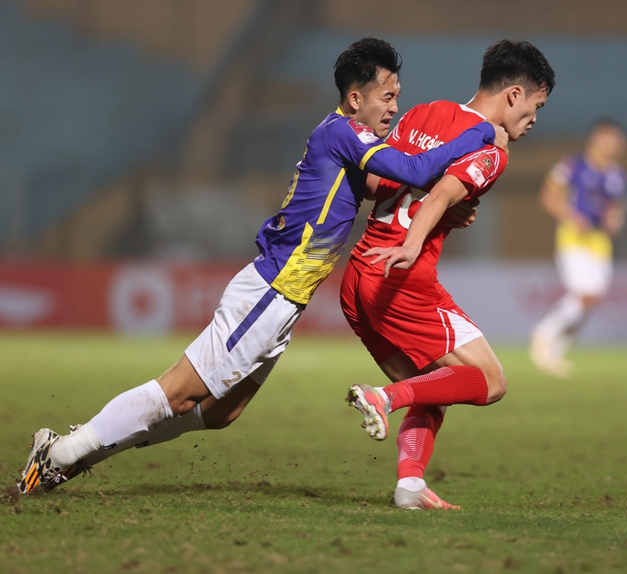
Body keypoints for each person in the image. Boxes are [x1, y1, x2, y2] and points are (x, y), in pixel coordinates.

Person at [17, 38, 507, 494]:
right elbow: (417, 169)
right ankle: (63, 453)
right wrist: (482, 133)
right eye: (387, 96)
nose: (395, 107)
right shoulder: (344, 133)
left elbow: (394, 186)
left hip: (284, 298)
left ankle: (79, 451)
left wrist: (451, 207)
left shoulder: (351, 140)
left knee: (222, 412)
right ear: (356, 98)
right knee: (179, 392)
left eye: (397, 96)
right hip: (271, 289)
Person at [340, 40, 555, 509]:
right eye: (537, 106)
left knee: (435, 388)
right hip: (400, 277)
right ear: (514, 95)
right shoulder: (492, 149)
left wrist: (443, 216)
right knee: (490, 381)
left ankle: (410, 487)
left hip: (359, 274)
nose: (535, 119)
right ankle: (383, 398)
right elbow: (438, 196)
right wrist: (413, 243)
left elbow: (377, 185)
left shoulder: (423, 112)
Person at [529, 118, 627, 378]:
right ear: (596, 139)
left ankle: (555, 353)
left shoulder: (617, 175)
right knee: (585, 294)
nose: (614, 145)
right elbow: (548, 196)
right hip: (573, 237)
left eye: (617, 141)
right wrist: (571, 216)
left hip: (600, 242)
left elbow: (614, 208)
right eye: (609, 139)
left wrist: (615, 219)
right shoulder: (572, 165)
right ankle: (544, 333)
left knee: (591, 299)